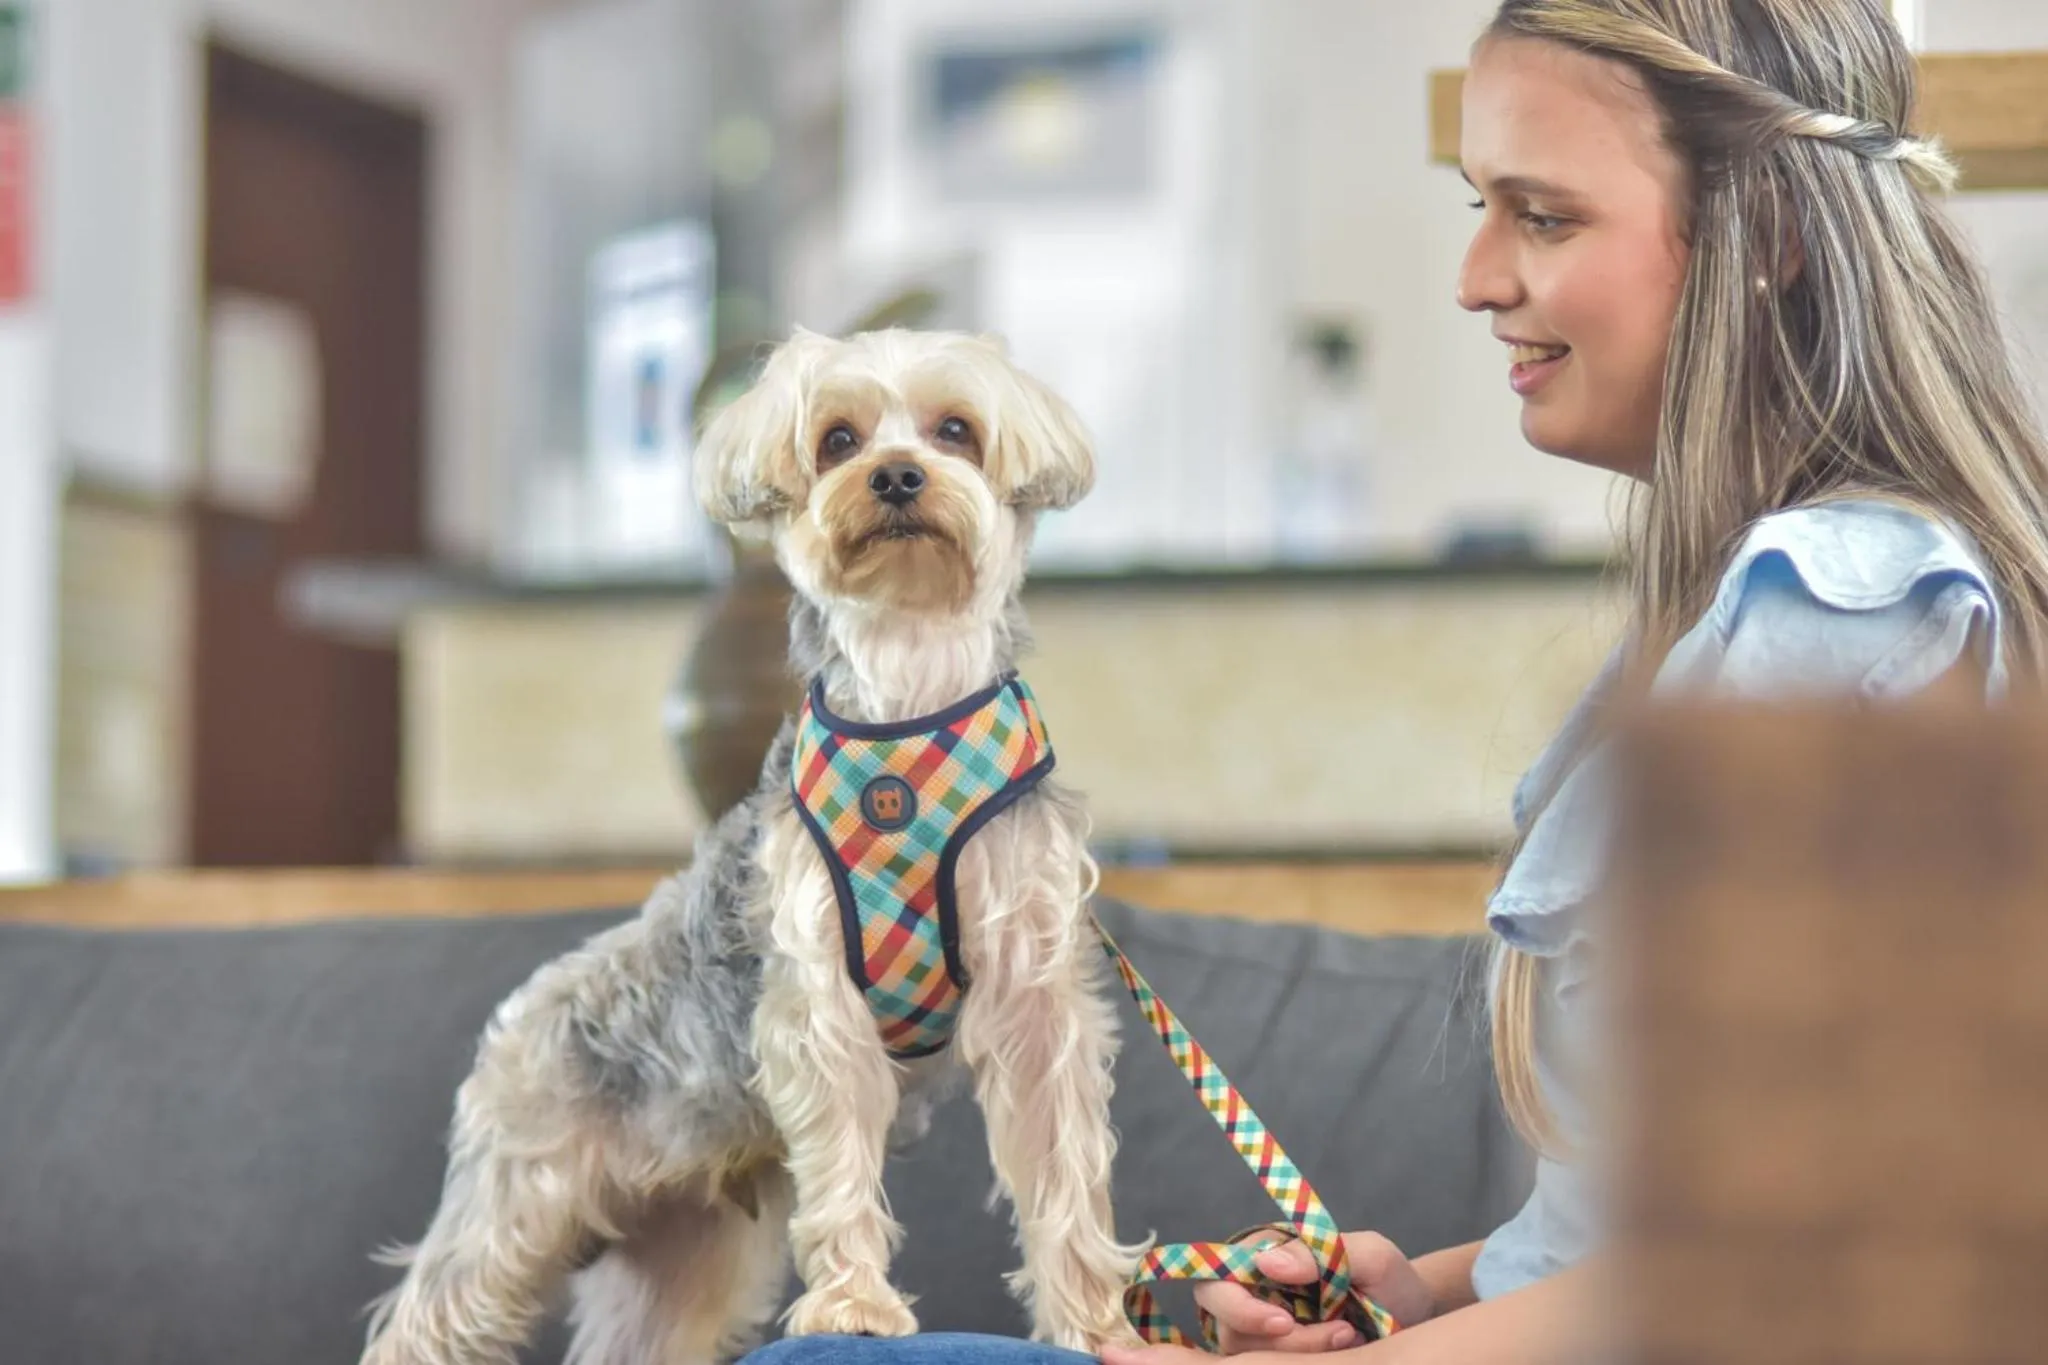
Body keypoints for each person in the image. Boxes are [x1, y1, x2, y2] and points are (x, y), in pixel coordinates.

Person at [746, 0, 2048, 1360]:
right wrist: (1430, 1291)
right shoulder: (1757, 616)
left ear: (1765, 237)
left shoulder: (1837, 619)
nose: (1478, 278)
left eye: (1542, 217)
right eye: (1480, 208)